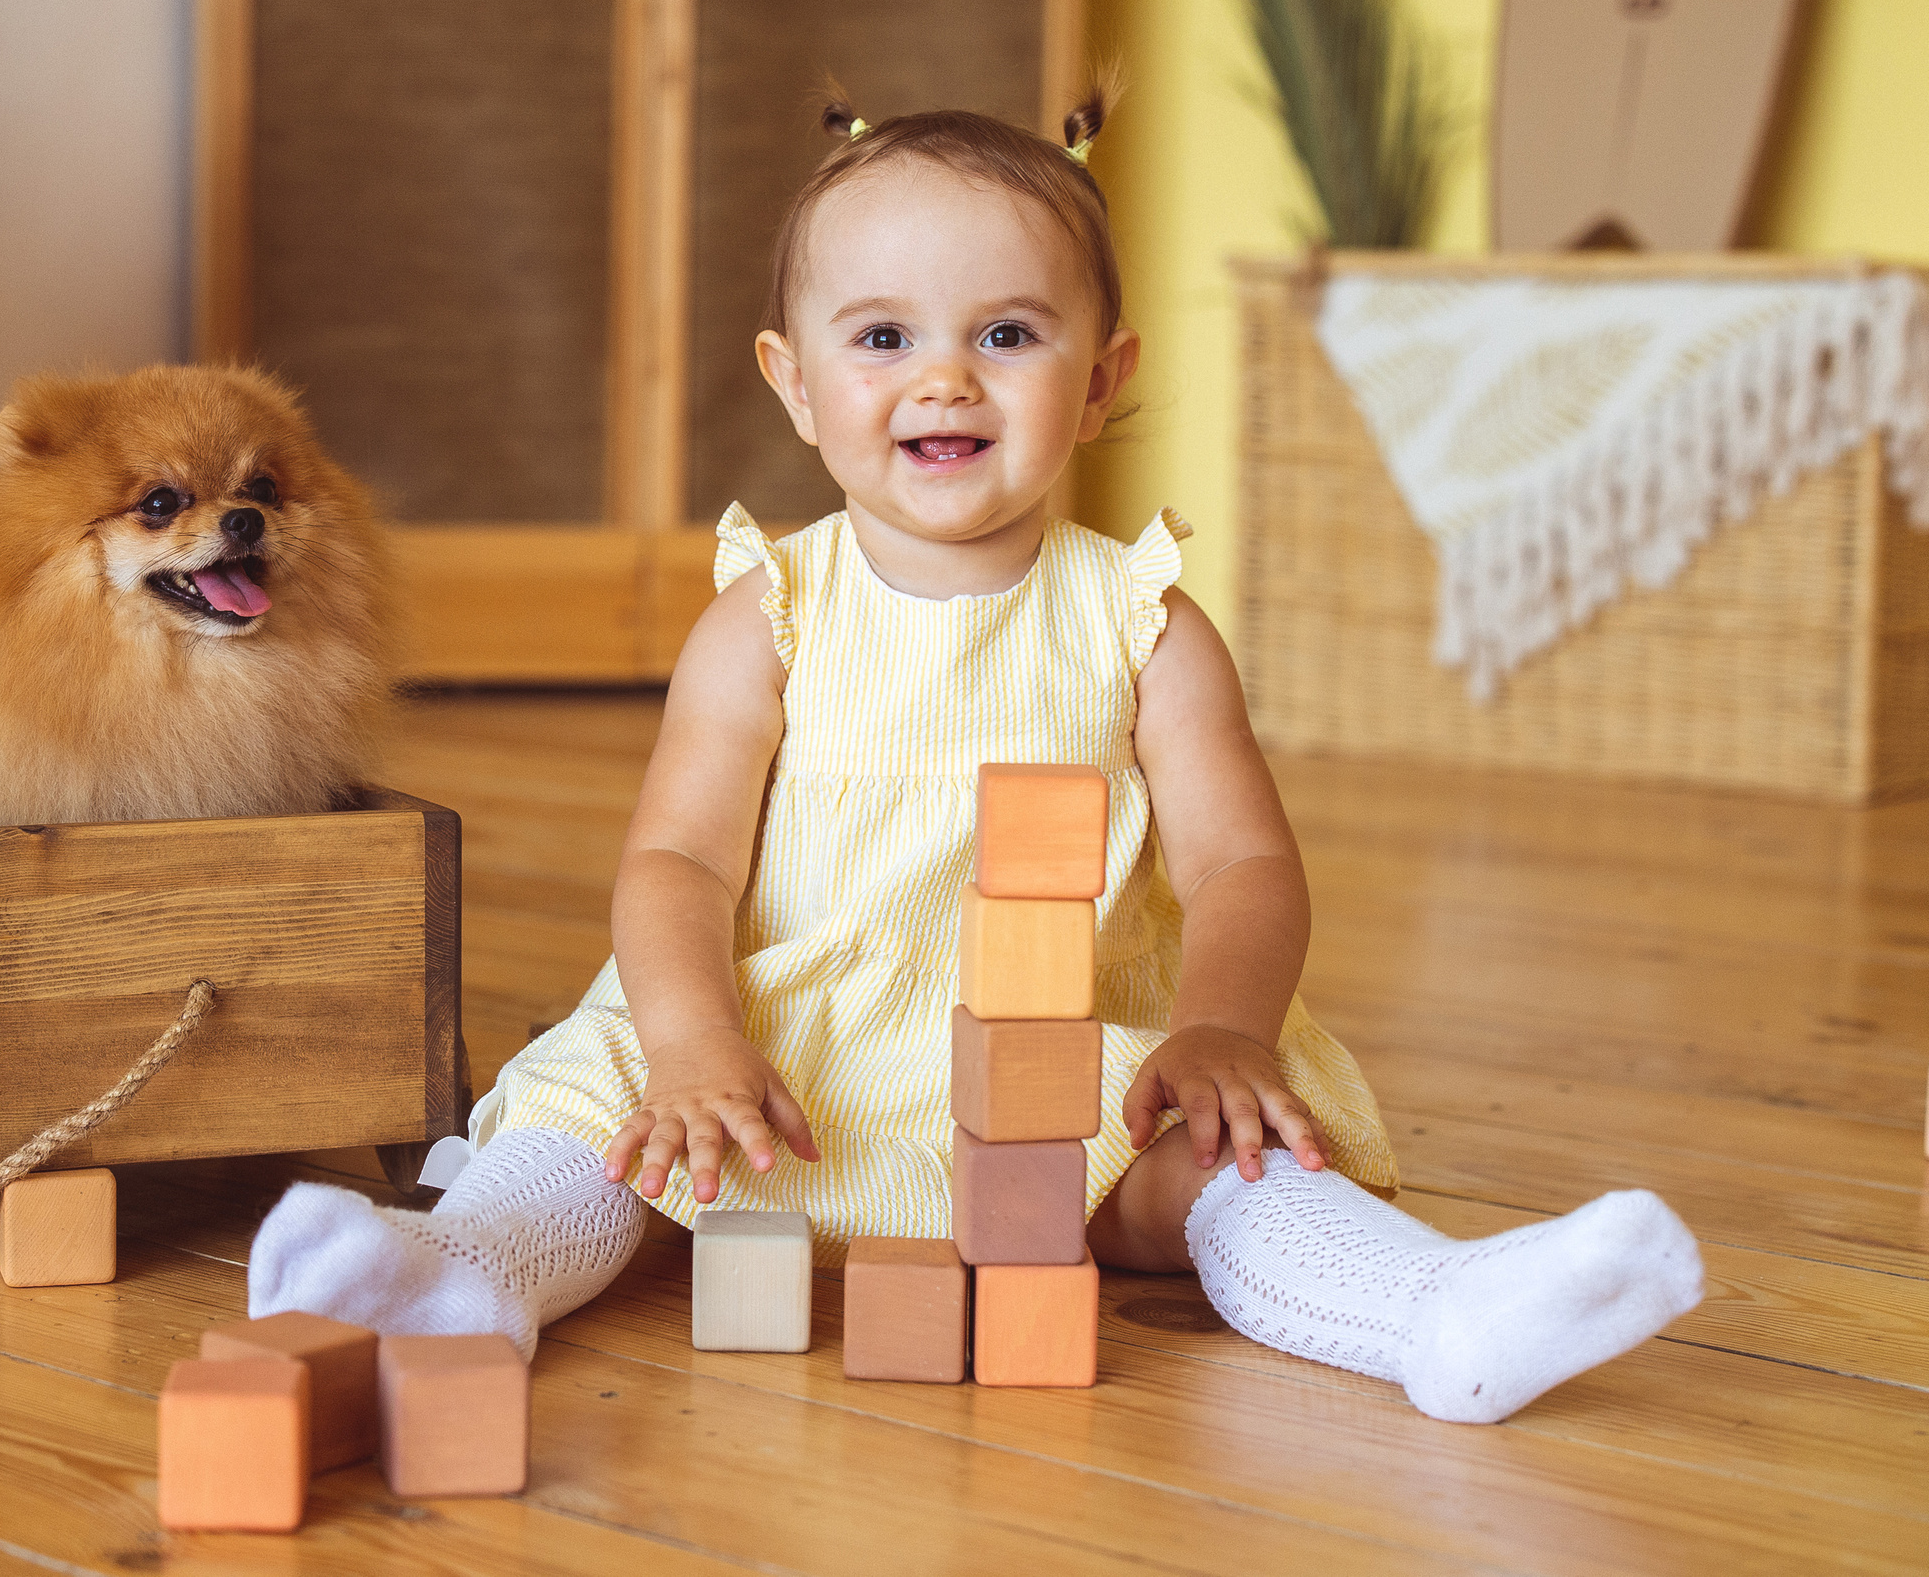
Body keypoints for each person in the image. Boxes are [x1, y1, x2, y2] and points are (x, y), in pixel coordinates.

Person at [249, 88, 1702, 1423]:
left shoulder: (1145, 626)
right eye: (883, 339)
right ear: (796, 382)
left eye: (1006, 335)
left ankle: (1431, 1313)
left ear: (1102, 376)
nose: (944, 378)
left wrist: (1222, 1028)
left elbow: (1242, 859)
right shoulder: (768, 619)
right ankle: (467, 1268)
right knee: (599, 1115)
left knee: (1220, 1155)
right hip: (779, 1054)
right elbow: (678, 859)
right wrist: (694, 1040)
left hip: (1056, 1064)